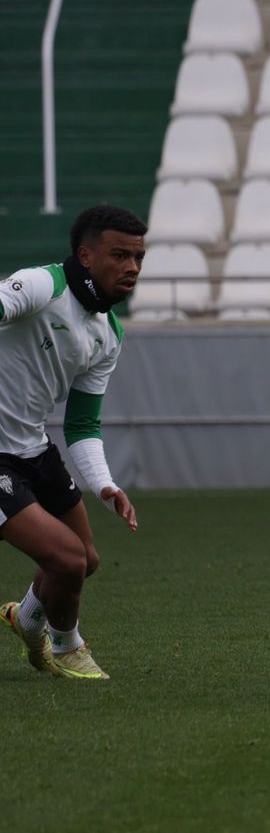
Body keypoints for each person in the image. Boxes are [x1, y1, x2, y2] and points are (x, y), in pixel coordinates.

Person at [0, 205, 143, 680]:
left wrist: (104, 484)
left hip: (33, 450)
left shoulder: (109, 333)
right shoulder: (42, 285)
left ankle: (26, 619)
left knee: (87, 560)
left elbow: (81, 424)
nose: (132, 267)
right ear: (85, 256)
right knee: (66, 560)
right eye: (119, 255)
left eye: (138, 258)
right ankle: (66, 647)